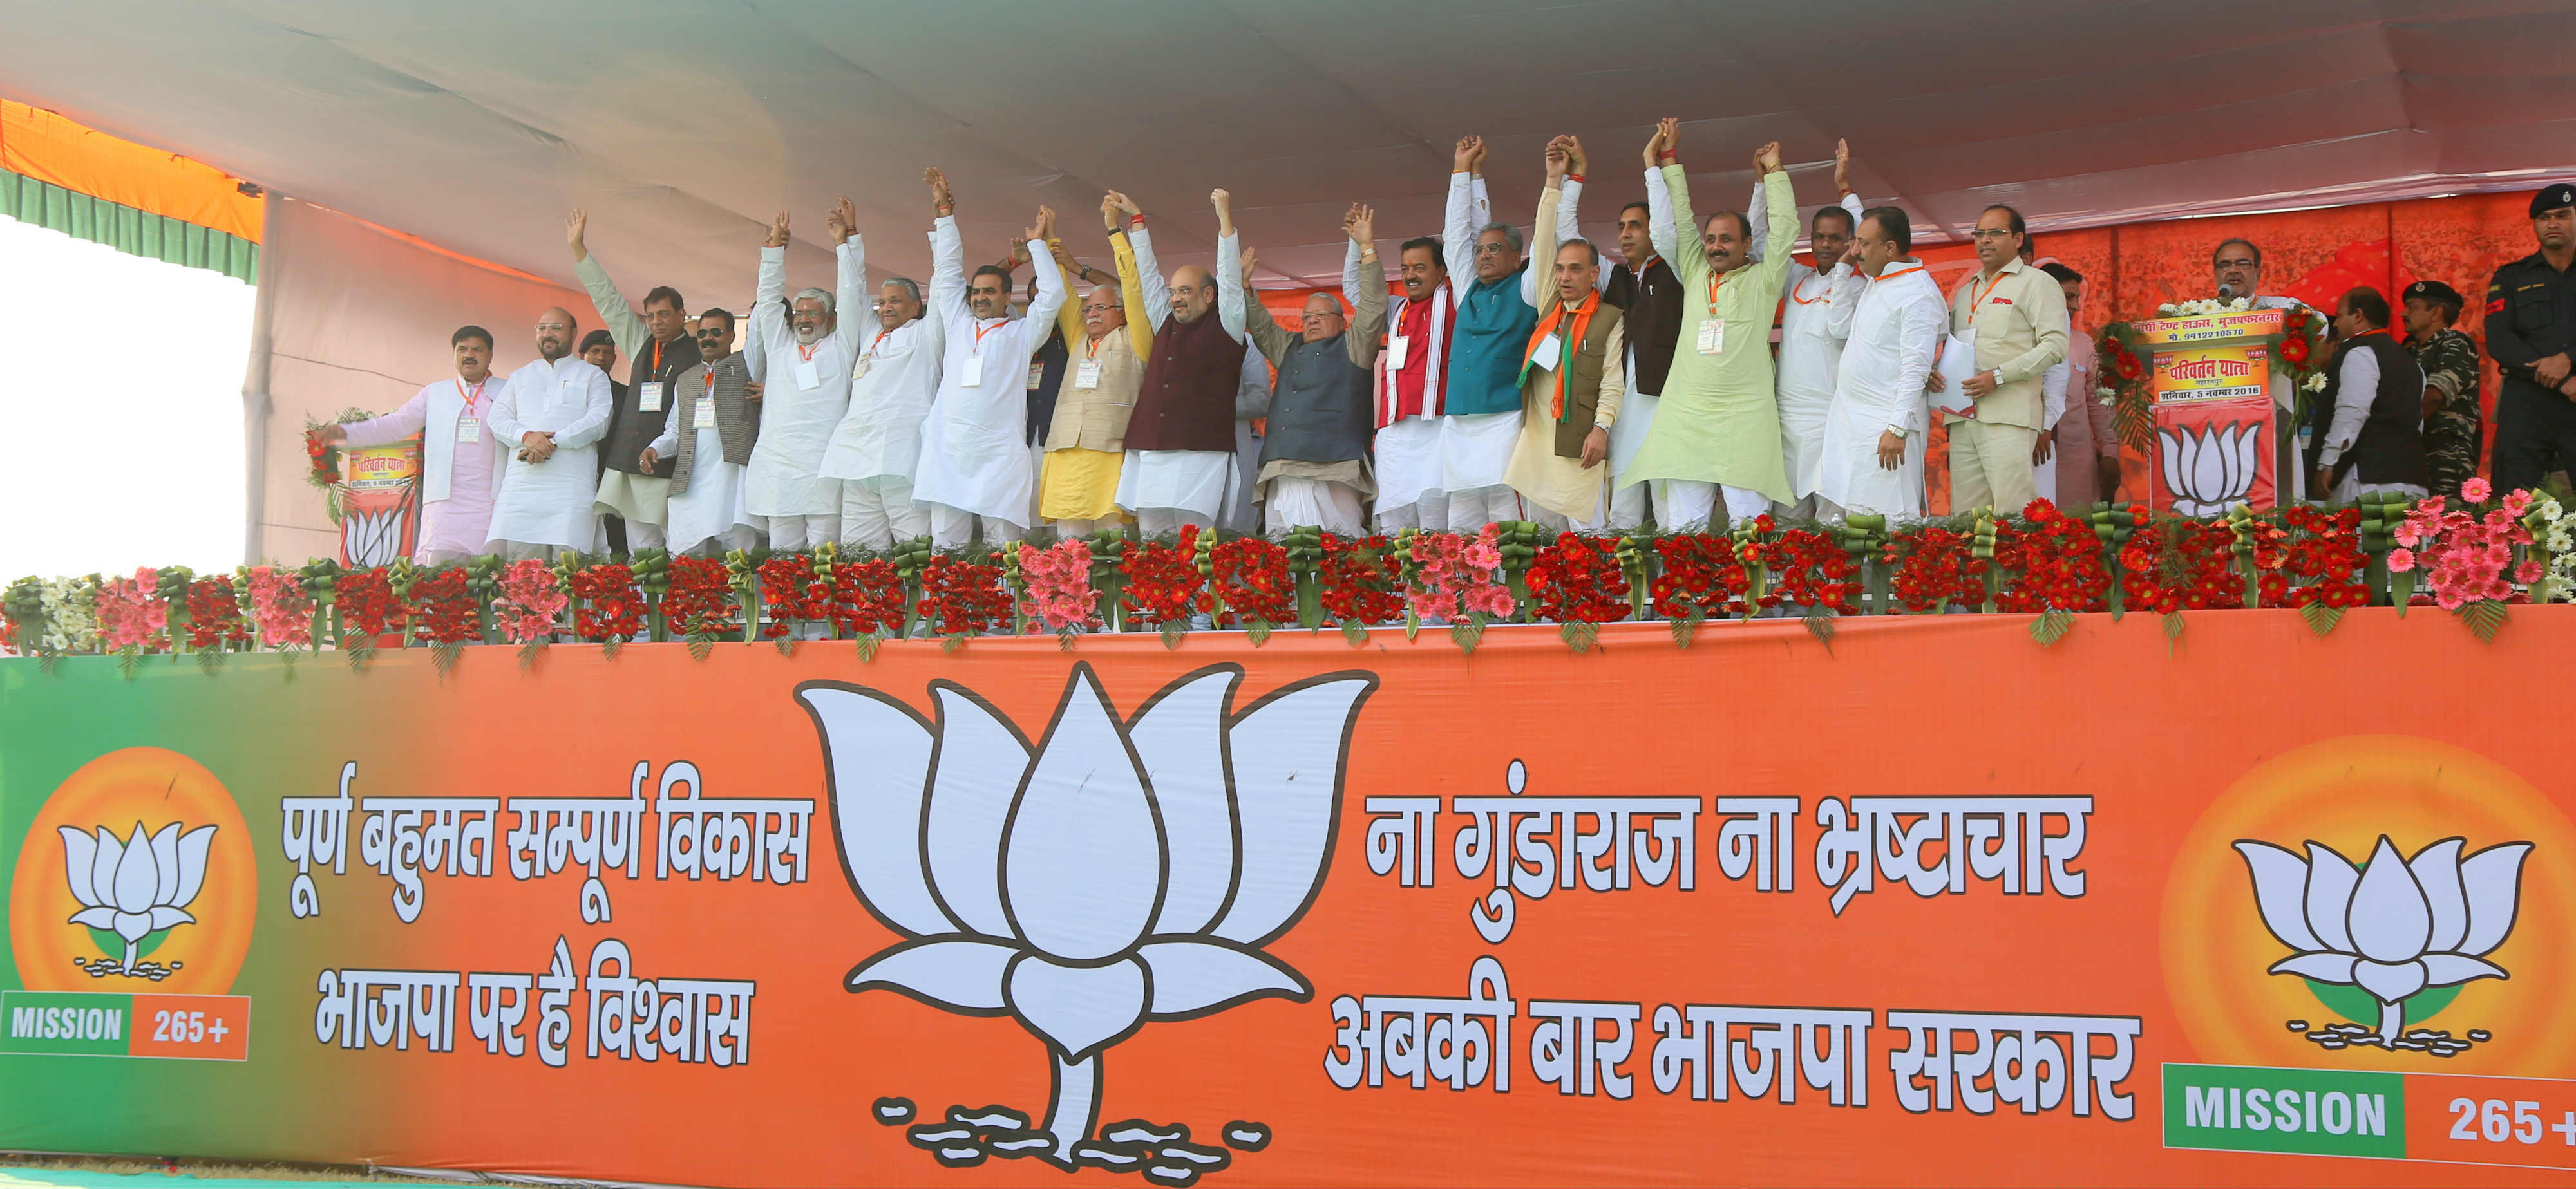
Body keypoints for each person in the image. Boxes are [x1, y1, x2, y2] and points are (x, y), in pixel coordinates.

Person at [1622, 120, 1795, 530]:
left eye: (1727, 240)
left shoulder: (1764, 280)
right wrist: (1665, 161)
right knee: (1684, 527)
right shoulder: (1695, 272)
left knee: (1749, 528)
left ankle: (1752, 597)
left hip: (1745, 418)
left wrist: (1775, 175)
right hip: (1688, 416)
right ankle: (1683, 598)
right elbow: (1680, 220)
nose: (1716, 246)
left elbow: (1787, 229)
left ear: (1747, 244)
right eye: (1712, 239)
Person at [911, 172, 1061, 548]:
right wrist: (945, 215)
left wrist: (1038, 246)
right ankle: (948, 610)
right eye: (976, 292)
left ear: (1007, 297)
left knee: (1003, 548)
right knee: (946, 545)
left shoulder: (1022, 333)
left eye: (989, 292)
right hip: (949, 448)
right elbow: (946, 272)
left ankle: (1003, 610)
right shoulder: (958, 323)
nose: (979, 298)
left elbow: (1054, 293)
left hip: (998, 453)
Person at [1241, 203, 1390, 534]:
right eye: (1307, 317)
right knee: (1284, 549)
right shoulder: (1289, 347)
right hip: (1283, 462)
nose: (1312, 322)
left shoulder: (1355, 345)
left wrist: (1367, 249)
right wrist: (1247, 289)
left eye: (1321, 316)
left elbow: (1374, 305)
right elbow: (1262, 328)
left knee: (1340, 551)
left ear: (1341, 321)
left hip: (1336, 465)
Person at [822, 184, 953, 550]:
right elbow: (850, 291)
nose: (887, 308)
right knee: (860, 557)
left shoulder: (927, 334)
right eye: (882, 303)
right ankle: (867, 612)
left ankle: (928, 612)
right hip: (855, 459)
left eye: (896, 301)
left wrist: (944, 221)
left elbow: (944, 280)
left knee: (918, 554)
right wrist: (847, 239)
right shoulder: (870, 334)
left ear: (916, 307)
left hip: (904, 458)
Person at [1501, 140, 1625, 526]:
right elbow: (1543, 238)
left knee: (1590, 543)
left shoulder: (1609, 318)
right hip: (1539, 445)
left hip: (1580, 444)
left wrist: (1601, 430)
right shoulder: (1548, 308)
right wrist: (1553, 181)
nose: (1565, 277)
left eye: (1575, 269)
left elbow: (1612, 383)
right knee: (1541, 545)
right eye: (1560, 269)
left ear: (1594, 274)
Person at [312, 326, 509, 564]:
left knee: (492, 576)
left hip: (493, 502)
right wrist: (346, 432)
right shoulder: (436, 393)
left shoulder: (508, 391)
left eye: (477, 350)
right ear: (454, 354)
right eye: (462, 349)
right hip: (445, 504)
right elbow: (396, 425)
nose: (469, 355)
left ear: (490, 355)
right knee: (442, 577)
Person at [1743, 139, 1866, 518]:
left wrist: (1846, 189)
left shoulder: (1863, 289)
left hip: (1834, 419)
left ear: (1850, 241)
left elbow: (1870, 235)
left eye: (1835, 237)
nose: (1826, 244)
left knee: (1834, 524)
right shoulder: (1795, 277)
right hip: (1787, 420)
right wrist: (1760, 187)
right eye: (1819, 236)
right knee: (1786, 523)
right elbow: (1760, 244)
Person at [1119, 189, 1252, 536]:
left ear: (1209, 295)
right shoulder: (1164, 319)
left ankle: (1202, 594)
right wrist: (1137, 222)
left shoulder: (1228, 323)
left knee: (1197, 544)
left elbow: (1230, 280)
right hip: (1152, 446)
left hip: (1201, 452)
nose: (1176, 298)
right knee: (1152, 541)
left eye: (1185, 291)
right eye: (1174, 291)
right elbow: (1147, 276)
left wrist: (1225, 219)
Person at [1442, 136, 1558, 531]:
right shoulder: (1467, 287)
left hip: (1506, 416)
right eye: (1481, 251)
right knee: (1461, 515)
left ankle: (1513, 591)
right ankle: (1462, 592)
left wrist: (1556, 183)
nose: (1483, 256)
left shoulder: (1527, 288)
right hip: (1459, 418)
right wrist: (1465, 173)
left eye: (1495, 250)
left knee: (1505, 511)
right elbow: (1458, 234)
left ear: (1516, 257)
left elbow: (1545, 243)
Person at [569, 209, 701, 553]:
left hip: (676, 463)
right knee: (642, 550)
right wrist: (580, 251)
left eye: (664, 315)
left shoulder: (698, 353)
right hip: (632, 457)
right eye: (651, 315)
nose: (656, 322)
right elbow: (609, 301)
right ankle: (647, 607)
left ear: (681, 315)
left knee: (682, 545)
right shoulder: (642, 343)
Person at [743, 208, 865, 552]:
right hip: (779, 469)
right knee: (783, 557)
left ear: (830, 317)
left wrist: (844, 244)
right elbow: (767, 303)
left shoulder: (841, 348)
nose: (804, 319)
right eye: (800, 312)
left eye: (813, 312)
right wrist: (773, 253)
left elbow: (853, 295)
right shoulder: (781, 348)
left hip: (824, 466)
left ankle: (823, 609)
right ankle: (787, 609)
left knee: (825, 555)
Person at [1935, 203, 2067, 513]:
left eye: (1995, 233)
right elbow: (1957, 348)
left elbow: (2056, 345)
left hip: (2009, 415)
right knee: (1966, 519)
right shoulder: (1967, 290)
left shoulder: (2038, 282)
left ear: (2019, 239)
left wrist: (1998, 376)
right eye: (1979, 233)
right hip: (1963, 415)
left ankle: (2018, 564)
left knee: (2014, 511)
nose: (1985, 240)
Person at [1817, 208, 1944, 518]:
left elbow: (1916, 367)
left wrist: (1897, 429)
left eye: (1863, 243)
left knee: (1886, 526)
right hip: (1849, 423)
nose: (1854, 251)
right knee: (1846, 526)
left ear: (1890, 248)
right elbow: (1839, 329)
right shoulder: (1878, 281)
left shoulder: (1918, 293)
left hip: (1886, 429)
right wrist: (1842, 273)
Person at [1038, 200, 1153, 538]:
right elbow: (1062, 291)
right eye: (1089, 309)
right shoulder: (1077, 338)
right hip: (1064, 448)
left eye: (1102, 307)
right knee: (1068, 544)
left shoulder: (1136, 337)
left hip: (1110, 448)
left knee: (1111, 541)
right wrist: (1049, 240)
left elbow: (1133, 286)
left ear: (1121, 312)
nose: (1092, 314)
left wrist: (1114, 230)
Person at [1596, 130, 1684, 530]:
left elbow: (1670, 227)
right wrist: (1567, 181)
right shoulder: (1613, 278)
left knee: (1670, 502)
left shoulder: (1677, 270)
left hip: (1665, 402)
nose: (1626, 233)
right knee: (1624, 510)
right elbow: (1568, 244)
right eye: (1621, 227)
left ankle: (1675, 588)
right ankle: (1619, 589)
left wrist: (1655, 166)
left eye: (1636, 225)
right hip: (1622, 407)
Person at [485, 308, 616, 560]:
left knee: (572, 570)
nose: (548, 334)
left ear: (573, 333)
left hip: (570, 486)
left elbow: (599, 421)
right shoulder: (521, 375)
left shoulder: (592, 374)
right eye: (542, 328)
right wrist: (526, 437)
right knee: (523, 574)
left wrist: (551, 442)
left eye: (556, 328)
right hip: (522, 485)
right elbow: (497, 418)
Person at [642, 304, 762, 557]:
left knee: (741, 557)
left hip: (733, 478)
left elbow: (762, 329)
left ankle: (741, 600)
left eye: (716, 332)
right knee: (686, 556)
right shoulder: (685, 379)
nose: (708, 338)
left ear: (732, 335)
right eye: (703, 333)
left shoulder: (748, 364)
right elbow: (674, 430)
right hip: (691, 480)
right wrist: (655, 449)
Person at [2485, 183, 2576, 495]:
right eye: (2543, 218)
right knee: (2515, 505)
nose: (2552, 223)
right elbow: (2499, 339)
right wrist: (2562, 380)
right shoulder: (2511, 277)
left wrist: (2569, 359)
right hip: (2526, 404)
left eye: (2562, 215)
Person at [1373, 215, 1461, 531]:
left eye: (1420, 268)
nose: (1410, 275)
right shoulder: (1395, 308)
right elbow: (1359, 293)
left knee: (1435, 522)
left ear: (1442, 270)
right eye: (1406, 268)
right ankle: (1398, 583)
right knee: (1394, 525)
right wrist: (1363, 247)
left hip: (1435, 427)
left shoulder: (1458, 302)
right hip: (1394, 431)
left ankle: (1438, 584)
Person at [2210, 238, 2309, 501]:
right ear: (2216, 273)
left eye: (2242, 263)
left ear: (2258, 272)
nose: (2233, 270)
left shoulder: (2281, 309)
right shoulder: (2199, 316)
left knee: (2276, 514)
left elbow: (2319, 326)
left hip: (2272, 429)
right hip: (2214, 433)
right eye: (2225, 265)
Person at [2307, 287, 2429, 501]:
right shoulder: (2411, 362)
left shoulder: (2359, 353)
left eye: (2341, 315)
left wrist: (2326, 463)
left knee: (2367, 536)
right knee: (2400, 536)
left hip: (2368, 482)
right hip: (2411, 479)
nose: (2335, 324)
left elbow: (2352, 412)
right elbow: (2417, 422)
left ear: (2358, 315)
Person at [2040, 263, 2121, 505]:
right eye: (2068, 297)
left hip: (2076, 459)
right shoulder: (2019, 340)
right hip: (2031, 456)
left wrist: (2110, 452)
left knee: (2079, 532)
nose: (2076, 306)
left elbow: (2099, 401)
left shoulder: (2083, 343)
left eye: (2077, 298)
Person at [2400, 280, 2483, 501]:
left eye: (2412, 307)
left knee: (2449, 525)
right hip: (2413, 455)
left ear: (2436, 313)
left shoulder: (2455, 343)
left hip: (2446, 456)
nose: (2403, 313)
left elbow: (2435, 396)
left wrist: (2396, 431)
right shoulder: (2409, 351)